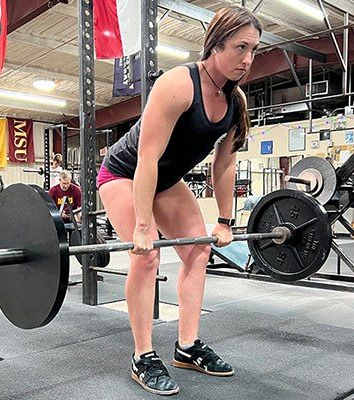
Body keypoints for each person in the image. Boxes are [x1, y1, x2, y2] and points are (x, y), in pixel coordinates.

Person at [96, 6, 261, 396]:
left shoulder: (235, 101)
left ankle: (186, 347)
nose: (248, 60)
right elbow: (147, 159)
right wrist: (141, 227)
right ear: (216, 45)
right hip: (123, 173)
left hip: (167, 180)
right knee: (147, 255)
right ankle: (142, 355)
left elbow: (225, 165)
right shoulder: (177, 84)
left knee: (198, 251)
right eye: (241, 48)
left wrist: (225, 221)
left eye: (254, 50)